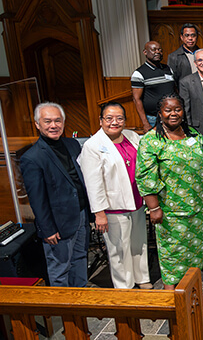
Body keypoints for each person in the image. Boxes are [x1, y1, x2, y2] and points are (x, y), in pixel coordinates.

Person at [136, 94, 203, 290]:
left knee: (193, 254)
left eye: (177, 109)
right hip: (169, 211)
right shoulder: (151, 140)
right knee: (172, 255)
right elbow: (145, 176)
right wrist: (154, 207)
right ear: (160, 113)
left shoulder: (193, 134)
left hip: (196, 210)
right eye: (168, 110)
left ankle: (191, 294)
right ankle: (171, 300)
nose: (173, 113)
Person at [79, 102, 151, 290]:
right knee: (119, 250)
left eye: (119, 118)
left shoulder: (132, 136)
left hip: (136, 201)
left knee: (139, 243)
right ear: (100, 120)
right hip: (113, 207)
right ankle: (124, 286)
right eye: (109, 118)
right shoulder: (92, 146)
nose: (114, 122)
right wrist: (99, 213)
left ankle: (141, 277)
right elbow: (93, 183)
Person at [20, 103, 90, 287]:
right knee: (60, 269)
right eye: (48, 121)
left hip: (80, 215)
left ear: (64, 122)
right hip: (57, 224)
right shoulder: (32, 157)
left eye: (57, 120)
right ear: (37, 124)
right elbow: (37, 198)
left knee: (80, 259)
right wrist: (47, 229)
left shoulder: (73, 145)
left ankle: (82, 300)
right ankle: (65, 309)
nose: (53, 125)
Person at [131, 41, 175, 131]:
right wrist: (145, 123)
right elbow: (137, 99)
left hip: (171, 116)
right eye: (154, 50)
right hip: (153, 118)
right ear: (145, 52)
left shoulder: (168, 69)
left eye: (160, 50)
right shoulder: (139, 73)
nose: (157, 52)